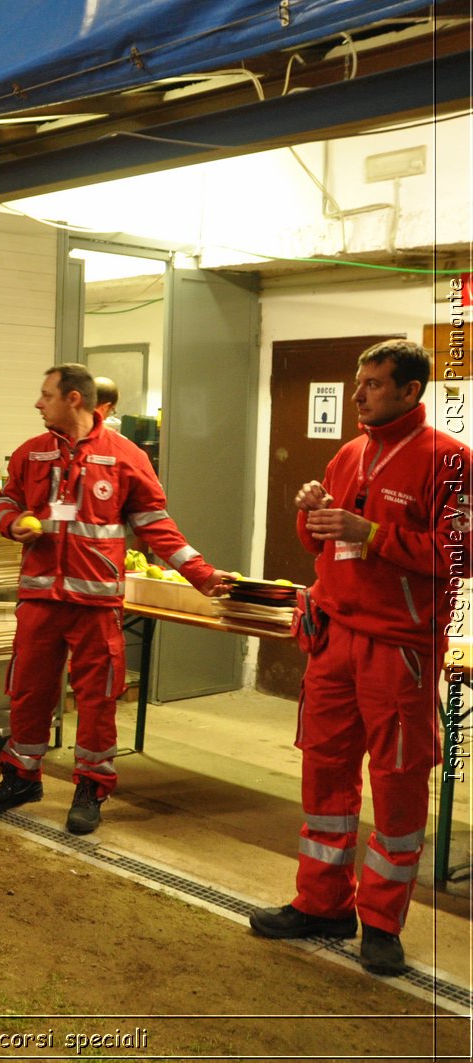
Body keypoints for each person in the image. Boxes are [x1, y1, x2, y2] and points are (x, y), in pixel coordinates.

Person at [249, 340, 468, 977]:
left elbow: (460, 555)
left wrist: (368, 533)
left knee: (398, 785)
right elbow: (324, 546)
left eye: (374, 383)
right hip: (334, 641)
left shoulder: (451, 462)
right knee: (324, 774)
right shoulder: (349, 453)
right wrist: (312, 514)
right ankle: (320, 904)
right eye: (359, 381)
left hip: (400, 650)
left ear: (410, 391)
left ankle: (381, 924)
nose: (359, 393)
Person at [0, 363, 231, 834]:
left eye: (45, 395)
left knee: (97, 700)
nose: (38, 403)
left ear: (74, 399)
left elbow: (157, 526)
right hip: (40, 597)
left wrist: (201, 574)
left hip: (95, 604)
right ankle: (20, 778)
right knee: (28, 691)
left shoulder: (126, 456)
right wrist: (12, 523)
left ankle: (90, 789)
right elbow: (6, 500)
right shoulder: (30, 454)